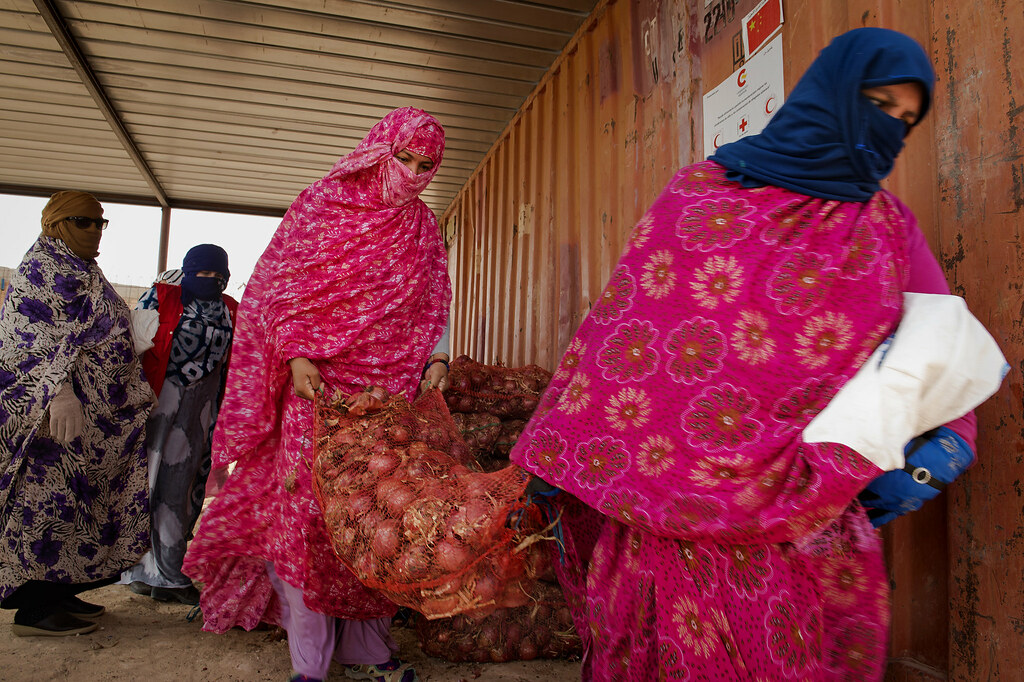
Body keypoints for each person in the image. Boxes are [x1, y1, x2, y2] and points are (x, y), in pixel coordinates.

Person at [510, 28, 987, 681]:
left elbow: (939, 342)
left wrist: (949, 443)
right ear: (830, 94)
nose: (888, 132)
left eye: (905, 121)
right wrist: (561, 446)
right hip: (664, 515)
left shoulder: (886, 225)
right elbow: (626, 332)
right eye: (879, 105)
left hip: (801, 520)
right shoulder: (700, 194)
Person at [183, 107, 450, 682]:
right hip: (318, 388)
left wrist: (437, 356)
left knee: (374, 514)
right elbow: (279, 287)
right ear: (377, 151)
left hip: (388, 395)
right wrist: (296, 354)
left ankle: (369, 649)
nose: (411, 174)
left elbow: (434, 300)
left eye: (425, 165)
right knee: (308, 515)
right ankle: (310, 662)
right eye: (403, 158)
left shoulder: (423, 227)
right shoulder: (323, 204)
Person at [0, 191, 154, 636]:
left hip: (97, 422)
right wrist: (59, 393)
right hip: (55, 423)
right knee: (46, 506)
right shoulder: (41, 269)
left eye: (99, 223)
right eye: (83, 221)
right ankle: (34, 609)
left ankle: (59, 591)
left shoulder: (82, 268)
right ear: (56, 223)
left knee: (79, 509)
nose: (94, 231)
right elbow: (23, 338)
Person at [120, 244, 237, 604]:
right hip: (160, 408)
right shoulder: (161, 299)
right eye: (203, 273)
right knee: (150, 487)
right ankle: (159, 572)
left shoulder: (231, 310)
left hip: (201, 414)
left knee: (184, 490)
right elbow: (129, 347)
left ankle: (157, 570)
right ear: (187, 271)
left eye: (219, 275)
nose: (211, 280)